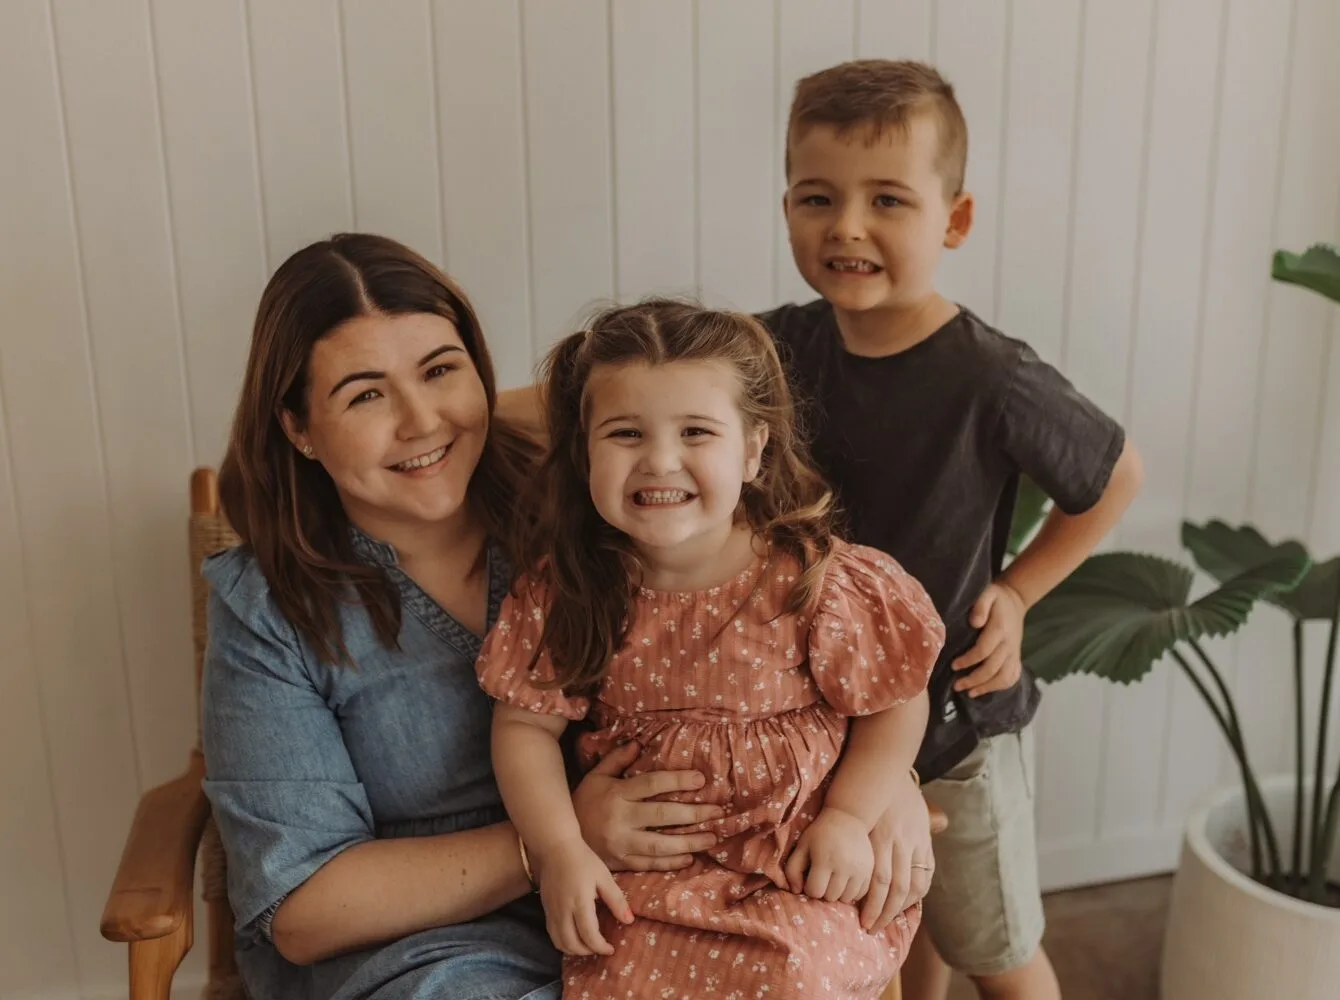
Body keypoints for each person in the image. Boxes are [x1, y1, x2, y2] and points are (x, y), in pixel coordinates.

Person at [201, 234, 724, 1000]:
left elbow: (769, 611)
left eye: (441, 371)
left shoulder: (586, 505)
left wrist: (881, 781)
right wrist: (555, 840)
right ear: (298, 427)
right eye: (366, 394)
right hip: (424, 957)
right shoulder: (269, 607)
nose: (421, 422)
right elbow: (304, 909)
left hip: (653, 908)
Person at [761, 60, 1146, 1000]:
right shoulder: (776, 349)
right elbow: (637, 373)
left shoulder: (992, 378)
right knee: (883, 931)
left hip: (953, 729)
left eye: (886, 198)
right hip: (835, 729)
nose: (846, 225)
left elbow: (1115, 475)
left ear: (954, 221)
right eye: (818, 196)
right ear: (787, 210)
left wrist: (1016, 590)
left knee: (993, 950)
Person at [478, 300, 945, 999]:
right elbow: (523, 728)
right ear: (584, 453)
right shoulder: (571, 592)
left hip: (798, 868)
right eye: (626, 433)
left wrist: (851, 815)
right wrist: (560, 851)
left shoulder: (813, 582)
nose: (660, 461)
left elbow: (896, 702)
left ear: (754, 449)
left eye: (696, 431)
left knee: (793, 979)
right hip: (648, 877)